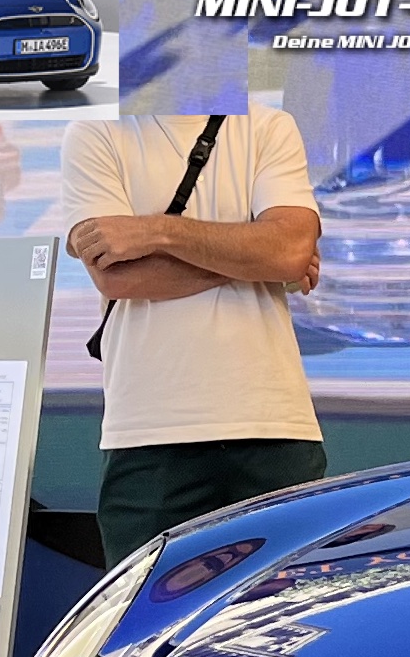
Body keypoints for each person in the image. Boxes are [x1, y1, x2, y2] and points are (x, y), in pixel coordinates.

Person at [60, 113, 325, 567]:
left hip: (275, 425)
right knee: (146, 610)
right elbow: (121, 278)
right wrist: (257, 257)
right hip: (150, 430)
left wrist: (156, 231)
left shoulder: (268, 125)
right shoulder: (94, 132)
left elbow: (289, 251)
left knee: (282, 609)